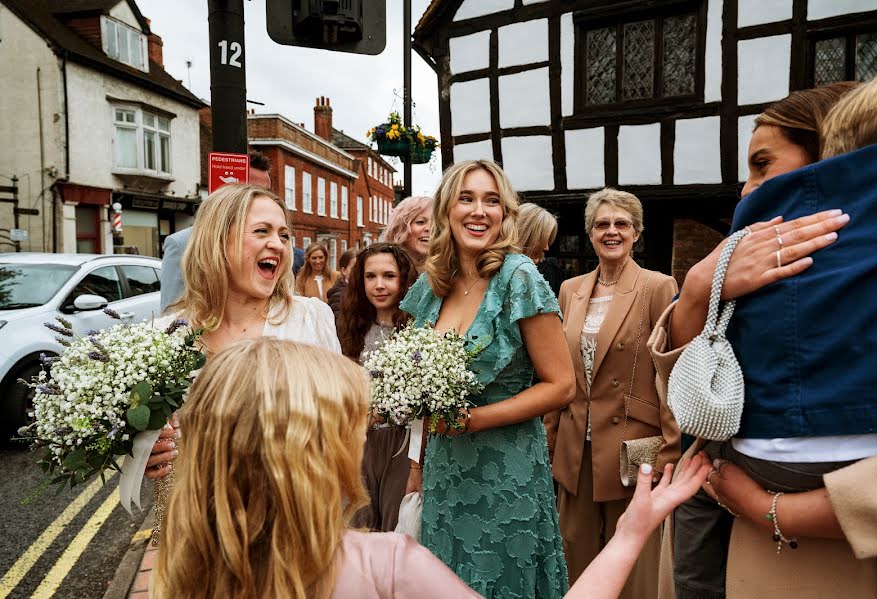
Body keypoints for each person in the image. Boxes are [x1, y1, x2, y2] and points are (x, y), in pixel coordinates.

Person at [152, 337, 713, 599]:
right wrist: (633, 531)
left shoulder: (187, 573)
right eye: (354, 426)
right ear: (314, 457)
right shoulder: (384, 566)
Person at [652, 75, 877, 599]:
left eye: (762, 165)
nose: (746, 189)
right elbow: (691, 399)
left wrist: (775, 509)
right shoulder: (747, 256)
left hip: (855, 552)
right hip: (748, 546)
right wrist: (699, 289)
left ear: (832, 156)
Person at [399, 159, 576, 597]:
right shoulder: (432, 284)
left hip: (506, 471)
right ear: (446, 211)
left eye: (491, 201)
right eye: (467, 198)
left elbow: (562, 385)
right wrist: (418, 464)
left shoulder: (519, 278)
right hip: (444, 468)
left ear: (504, 214)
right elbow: (420, 384)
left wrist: (476, 420)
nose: (479, 211)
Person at [144, 184, 340, 480]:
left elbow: (341, 427)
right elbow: (142, 436)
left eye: (284, 235)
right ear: (218, 241)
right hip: (192, 514)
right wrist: (145, 452)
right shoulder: (165, 336)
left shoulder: (310, 319)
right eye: (262, 231)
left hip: (288, 512)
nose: (278, 244)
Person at [542, 188, 679, 594]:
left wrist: (670, 451)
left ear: (637, 232)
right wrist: (549, 439)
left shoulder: (657, 286)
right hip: (574, 445)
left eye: (622, 224)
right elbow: (559, 370)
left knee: (635, 560)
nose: (612, 231)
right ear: (590, 233)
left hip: (632, 446)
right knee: (575, 558)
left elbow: (667, 372)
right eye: (602, 224)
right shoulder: (570, 289)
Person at [338, 243, 418, 531]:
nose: (379, 285)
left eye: (389, 276)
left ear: (404, 280)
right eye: (370, 276)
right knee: (359, 528)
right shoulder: (350, 327)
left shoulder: (418, 329)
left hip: (403, 443)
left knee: (396, 529)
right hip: (359, 442)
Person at [160, 150, 272, 313]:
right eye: (254, 191)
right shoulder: (183, 243)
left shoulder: (276, 242)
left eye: (267, 192)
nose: (264, 199)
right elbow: (171, 313)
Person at [381, 195, 432, 272]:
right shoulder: (380, 268)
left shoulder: (449, 274)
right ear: (400, 228)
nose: (429, 228)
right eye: (420, 222)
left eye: (436, 224)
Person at [326, 249, 357, 323]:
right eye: (354, 269)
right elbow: (340, 327)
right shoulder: (338, 296)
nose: (359, 272)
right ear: (344, 270)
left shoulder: (362, 290)